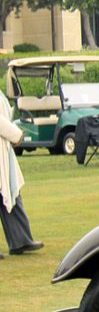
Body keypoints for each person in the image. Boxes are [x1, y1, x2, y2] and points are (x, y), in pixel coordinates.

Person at [0, 89, 43, 256]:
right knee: (9, 193)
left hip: (4, 152)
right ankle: (20, 240)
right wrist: (16, 135)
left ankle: (21, 240)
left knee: (12, 193)